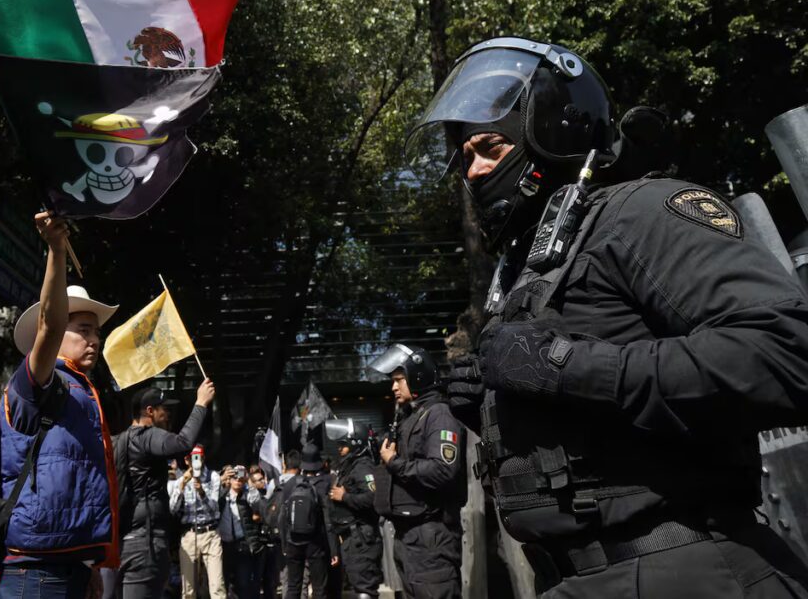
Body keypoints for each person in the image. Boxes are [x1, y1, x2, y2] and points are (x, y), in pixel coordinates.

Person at [410, 37, 808, 596]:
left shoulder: (643, 211)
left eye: (488, 148)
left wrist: (560, 365)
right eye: (465, 158)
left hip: (686, 570)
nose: (473, 172)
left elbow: (787, 354)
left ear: (555, 129)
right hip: (578, 578)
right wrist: (497, 405)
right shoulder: (534, 266)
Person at [0, 211, 120, 599]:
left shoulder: (84, 389)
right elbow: (51, 325)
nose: (94, 341)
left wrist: (88, 564)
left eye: (97, 333)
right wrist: (55, 249)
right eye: (83, 330)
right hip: (34, 571)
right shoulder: (37, 382)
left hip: (68, 565)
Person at [368, 344, 466, 599]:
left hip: (431, 537)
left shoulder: (439, 415)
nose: (394, 387)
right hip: (410, 537)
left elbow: (442, 470)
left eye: (399, 380)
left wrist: (394, 462)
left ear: (418, 377)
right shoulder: (414, 416)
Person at [114, 381, 215, 599]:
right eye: (164, 409)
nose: (168, 415)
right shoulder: (147, 436)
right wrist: (201, 403)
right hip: (145, 544)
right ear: (149, 411)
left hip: (124, 542)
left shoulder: (120, 440)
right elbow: (183, 441)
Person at [324, 420, 383, 599]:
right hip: (353, 538)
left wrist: (344, 497)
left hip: (362, 538)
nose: (339, 448)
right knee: (359, 585)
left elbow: (374, 499)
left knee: (365, 589)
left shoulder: (362, 466)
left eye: (343, 444)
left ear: (355, 444)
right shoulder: (349, 466)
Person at [277, 443, 338, 599]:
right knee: (319, 588)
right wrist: (333, 549)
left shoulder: (290, 484)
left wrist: (284, 544)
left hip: (293, 541)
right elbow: (328, 519)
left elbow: (282, 517)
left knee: (293, 586)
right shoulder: (324, 484)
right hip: (316, 543)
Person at [170, 445, 225, 599]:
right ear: (186, 461)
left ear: (203, 458)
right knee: (188, 590)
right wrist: (181, 485)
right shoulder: (182, 480)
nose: (195, 461)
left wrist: (201, 492)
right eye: (191, 458)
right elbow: (173, 509)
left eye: (198, 457)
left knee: (217, 587)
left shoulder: (213, 476)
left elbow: (214, 509)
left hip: (211, 534)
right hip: (189, 536)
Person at [218, 465, 264, 599]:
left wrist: (248, 481)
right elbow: (212, 496)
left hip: (242, 544)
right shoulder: (222, 496)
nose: (237, 480)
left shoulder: (246, 495)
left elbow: (256, 500)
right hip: (224, 544)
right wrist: (222, 478)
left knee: (243, 582)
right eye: (234, 477)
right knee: (224, 582)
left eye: (240, 477)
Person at [248, 466, 282, 599]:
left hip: (271, 541)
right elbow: (254, 517)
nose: (261, 482)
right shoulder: (252, 497)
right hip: (258, 543)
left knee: (271, 580)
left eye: (262, 479)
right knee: (256, 579)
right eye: (257, 480)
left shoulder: (270, 495)